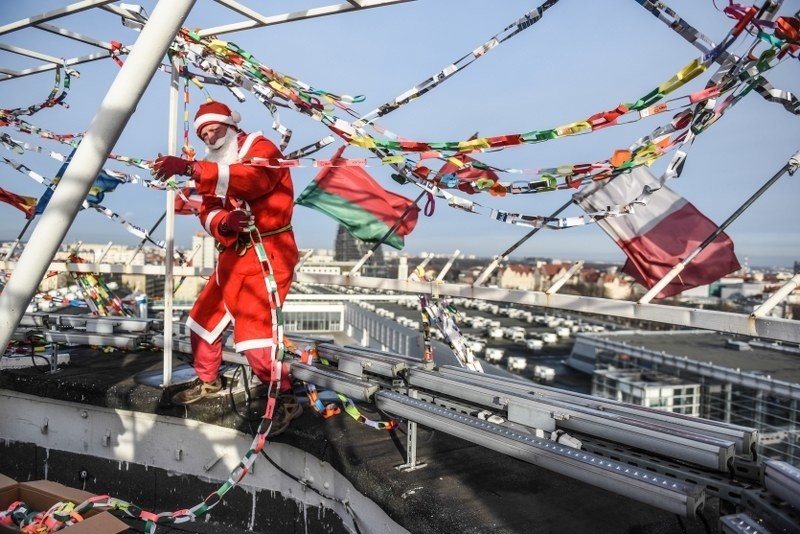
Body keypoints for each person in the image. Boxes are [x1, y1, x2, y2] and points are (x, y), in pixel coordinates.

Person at [152, 100, 301, 434]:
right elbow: (206, 211)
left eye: (213, 129)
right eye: (203, 132)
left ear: (230, 126)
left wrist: (192, 170)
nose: (208, 136)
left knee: (255, 334)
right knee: (203, 321)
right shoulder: (213, 162)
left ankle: (286, 397)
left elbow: (254, 180)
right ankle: (209, 381)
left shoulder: (261, 147)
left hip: (269, 251)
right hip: (233, 253)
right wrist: (224, 222)